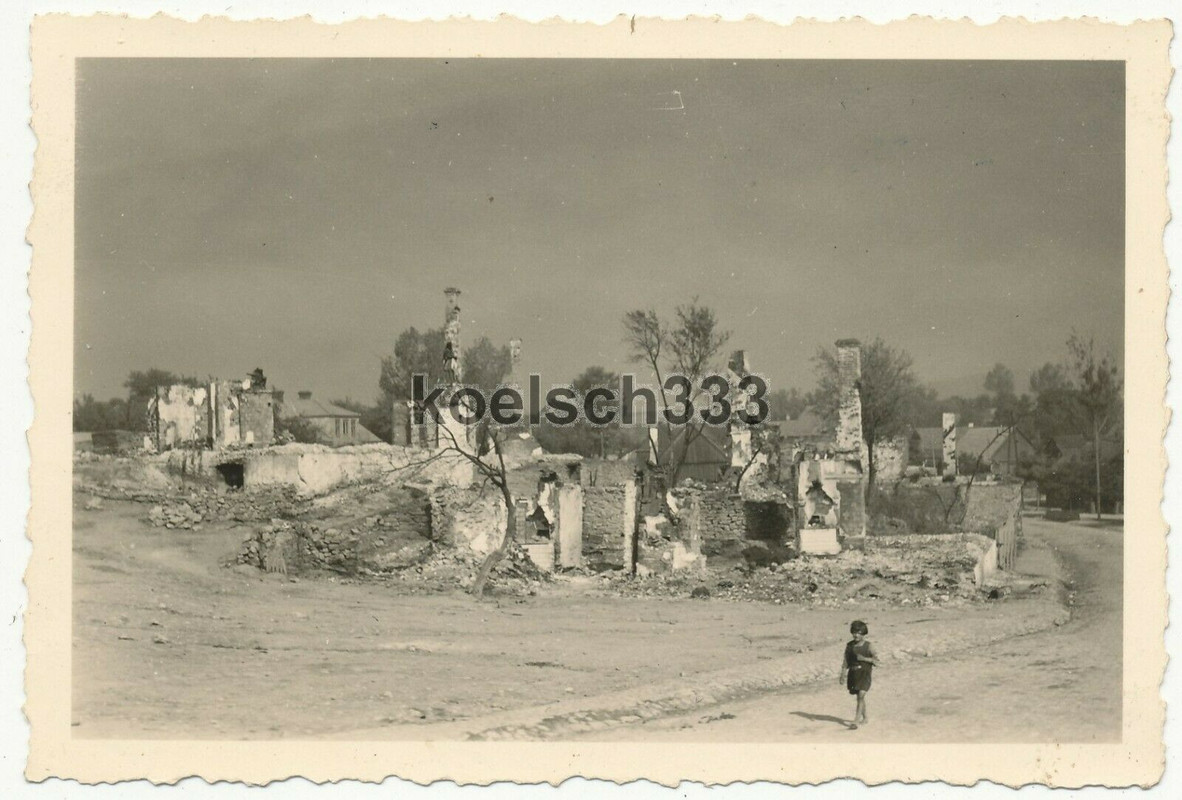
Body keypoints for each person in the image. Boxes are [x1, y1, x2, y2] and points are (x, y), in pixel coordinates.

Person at [838, 619, 877, 728]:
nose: (856, 635)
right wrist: (842, 674)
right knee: (860, 697)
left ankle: (856, 720)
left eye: (859, 633)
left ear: (863, 634)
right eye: (854, 632)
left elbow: (877, 661)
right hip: (854, 674)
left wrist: (864, 658)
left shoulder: (869, 646)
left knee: (861, 695)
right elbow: (846, 660)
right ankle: (865, 717)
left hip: (865, 674)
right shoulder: (849, 646)